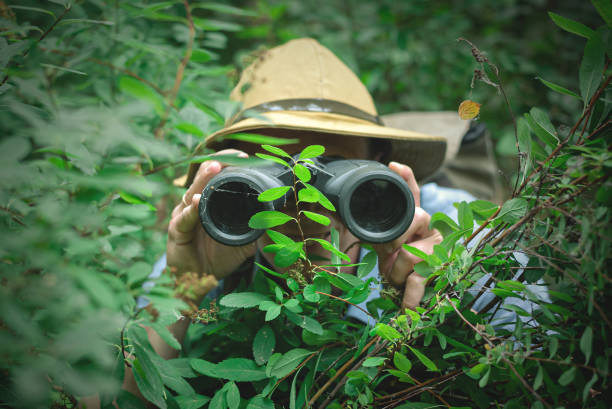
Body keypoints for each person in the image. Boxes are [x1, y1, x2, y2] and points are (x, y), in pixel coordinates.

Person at [95, 37, 483, 406]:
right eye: (272, 169)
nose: (302, 198)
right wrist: (183, 287)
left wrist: (452, 296)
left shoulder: (454, 230)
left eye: (332, 168)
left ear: (378, 164)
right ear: (227, 175)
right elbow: (123, 402)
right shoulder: (207, 239)